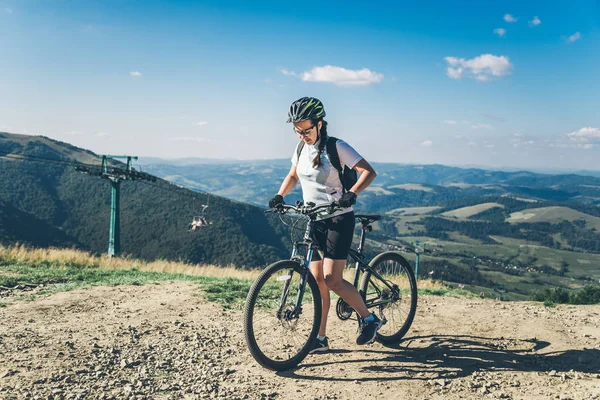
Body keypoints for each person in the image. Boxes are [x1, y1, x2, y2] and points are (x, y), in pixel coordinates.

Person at [268, 97, 379, 353]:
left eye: (306, 130)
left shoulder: (336, 146)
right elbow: (294, 175)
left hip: (338, 218)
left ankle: (369, 319)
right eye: (297, 130)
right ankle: (320, 338)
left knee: (331, 279)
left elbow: (368, 172)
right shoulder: (300, 149)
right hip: (314, 218)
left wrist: (352, 193)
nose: (302, 134)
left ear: (319, 124)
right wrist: (280, 195)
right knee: (317, 281)